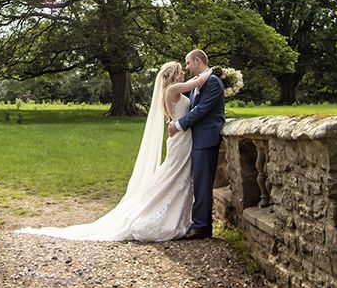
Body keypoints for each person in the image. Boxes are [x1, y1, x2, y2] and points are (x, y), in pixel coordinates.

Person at [16, 58, 214, 243]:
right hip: (180, 141)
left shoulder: (171, 91)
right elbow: (199, 81)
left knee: (178, 177)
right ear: (173, 76)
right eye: (181, 71)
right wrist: (215, 72)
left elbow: (195, 85)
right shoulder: (174, 89)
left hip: (182, 139)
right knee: (173, 176)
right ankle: (155, 215)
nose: (184, 74)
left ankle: (178, 218)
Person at [168, 48, 225, 239]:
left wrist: (179, 125)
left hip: (207, 139)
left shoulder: (214, 82)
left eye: (188, 62)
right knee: (198, 182)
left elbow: (201, 110)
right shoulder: (198, 83)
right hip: (198, 139)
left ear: (198, 60)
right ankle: (200, 223)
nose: (187, 66)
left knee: (202, 183)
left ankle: (201, 226)